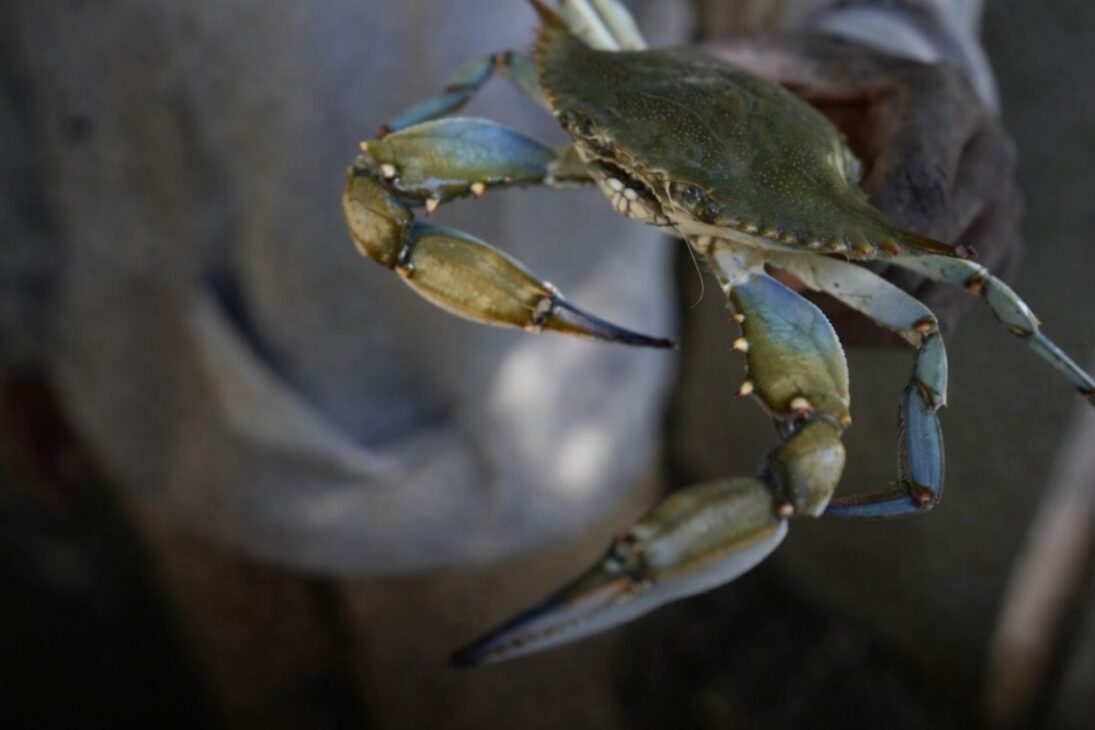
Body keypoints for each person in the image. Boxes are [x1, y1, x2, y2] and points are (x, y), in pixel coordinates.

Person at [2, 1, 1087, 727]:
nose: (644, 195)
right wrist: (18, 307)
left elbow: (842, 435)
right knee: (248, 679)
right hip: (140, 382)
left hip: (503, 490)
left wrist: (879, 30)